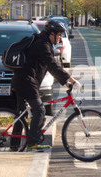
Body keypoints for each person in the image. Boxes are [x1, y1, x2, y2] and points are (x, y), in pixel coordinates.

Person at [11, 20, 79, 152]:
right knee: (40, 110)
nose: (60, 38)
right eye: (59, 35)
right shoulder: (42, 45)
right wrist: (69, 79)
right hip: (26, 82)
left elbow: (51, 66)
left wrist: (65, 80)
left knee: (22, 113)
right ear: (51, 34)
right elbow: (52, 65)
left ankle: (14, 145)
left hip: (22, 80)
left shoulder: (43, 42)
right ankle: (32, 143)